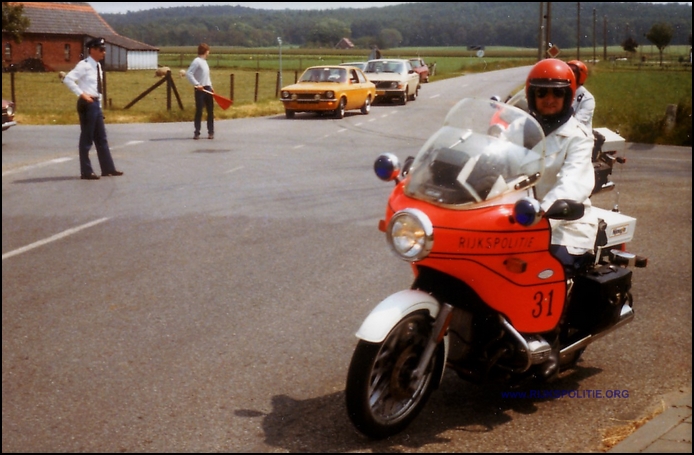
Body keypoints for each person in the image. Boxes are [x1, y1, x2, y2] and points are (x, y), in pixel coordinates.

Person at [525, 58, 598, 380]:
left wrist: (544, 208)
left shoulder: (579, 136)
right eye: (541, 93)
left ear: (569, 97)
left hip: (564, 218)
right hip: (517, 216)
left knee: (551, 268)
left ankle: (550, 341)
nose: (549, 99)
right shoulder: (521, 130)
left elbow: (572, 182)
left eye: (556, 93)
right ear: (532, 97)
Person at [63, 37, 123, 180]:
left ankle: (108, 168)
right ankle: (86, 171)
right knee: (87, 138)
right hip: (87, 104)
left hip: (95, 104)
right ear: (93, 50)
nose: (104, 53)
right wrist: (82, 94)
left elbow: (98, 89)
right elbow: (68, 79)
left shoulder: (98, 66)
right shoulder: (84, 65)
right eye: (101, 50)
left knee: (101, 138)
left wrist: (99, 108)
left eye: (104, 50)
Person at [186, 43, 214, 140]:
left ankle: (211, 132)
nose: (209, 53)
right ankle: (197, 132)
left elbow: (206, 76)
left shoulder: (205, 62)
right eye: (208, 51)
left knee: (210, 111)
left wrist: (211, 86)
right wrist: (197, 84)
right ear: (205, 51)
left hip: (208, 88)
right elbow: (189, 73)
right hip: (200, 90)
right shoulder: (197, 61)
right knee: (199, 111)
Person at [567, 59, 595, 131]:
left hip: (581, 137)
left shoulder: (588, 99)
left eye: (573, 71)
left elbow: (577, 123)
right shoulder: (561, 94)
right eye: (568, 70)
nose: (569, 73)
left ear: (581, 76)